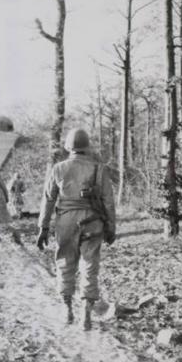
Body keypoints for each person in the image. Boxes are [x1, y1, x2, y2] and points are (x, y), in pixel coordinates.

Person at [36, 128, 116, 330]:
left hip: (66, 222)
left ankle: (68, 310)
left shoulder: (58, 168)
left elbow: (48, 199)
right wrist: (111, 227)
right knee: (90, 266)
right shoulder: (99, 169)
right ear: (87, 147)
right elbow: (108, 201)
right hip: (93, 221)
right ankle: (86, 316)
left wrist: (43, 227)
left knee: (65, 263)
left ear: (68, 147)